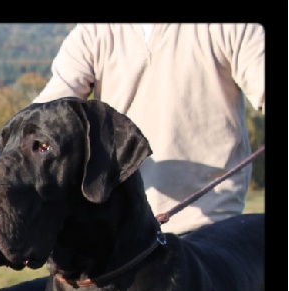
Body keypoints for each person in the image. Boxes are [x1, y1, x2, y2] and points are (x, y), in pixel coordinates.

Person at [31, 23, 264, 235]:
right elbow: (44, 118)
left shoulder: (230, 28)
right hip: (120, 233)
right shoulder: (94, 32)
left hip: (211, 227)